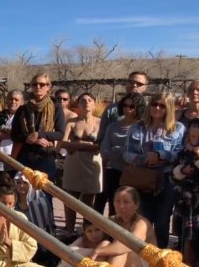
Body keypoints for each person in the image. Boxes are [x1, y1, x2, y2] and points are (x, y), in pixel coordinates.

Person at [46, 186, 162, 267]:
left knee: (116, 250)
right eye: (117, 202)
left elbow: (125, 246)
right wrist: (73, 250)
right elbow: (87, 238)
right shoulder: (113, 220)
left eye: (126, 202)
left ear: (136, 205)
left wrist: (98, 251)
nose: (121, 206)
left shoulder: (142, 223)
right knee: (103, 245)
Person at [124, 93, 185, 248]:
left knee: (162, 220)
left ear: (169, 108)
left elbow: (179, 153)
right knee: (143, 220)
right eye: (154, 104)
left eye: (162, 105)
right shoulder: (137, 127)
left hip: (166, 179)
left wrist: (160, 155)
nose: (157, 108)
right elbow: (127, 154)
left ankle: (160, 257)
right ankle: (141, 257)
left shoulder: (177, 128)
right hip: (142, 178)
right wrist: (145, 158)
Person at [11, 72, 65, 210]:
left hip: (45, 157)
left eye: (42, 84)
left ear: (49, 87)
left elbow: (60, 133)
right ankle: (23, 227)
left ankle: (45, 228)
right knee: (23, 195)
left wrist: (40, 135)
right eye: (35, 84)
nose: (38, 87)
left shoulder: (56, 107)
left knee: (45, 195)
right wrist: (30, 139)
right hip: (25, 157)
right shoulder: (23, 109)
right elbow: (14, 134)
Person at [60, 93, 102, 234]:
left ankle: (87, 233)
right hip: (74, 164)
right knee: (70, 201)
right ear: (78, 104)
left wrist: (77, 144)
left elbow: (99, 147)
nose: (86, 103)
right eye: (83, 100)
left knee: (88, 203)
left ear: (94, 104)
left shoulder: (99, 123)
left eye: (90, 100)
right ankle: (70, 232)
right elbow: (64, 144)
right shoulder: (71, 122)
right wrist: (87, 145)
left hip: (92, 165)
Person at [98, 93, 141, 215]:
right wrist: (119, 151)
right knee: (115, 208)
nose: (128, 109)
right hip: (113, 171)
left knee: (133, 210)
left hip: (134, 173)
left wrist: (116, 150)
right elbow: (104, 150)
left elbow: (139, 150)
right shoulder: (113, 126)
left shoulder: (142, 127)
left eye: (132, 106)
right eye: (125, 105)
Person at [44, 219, 110, 267]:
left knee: (91, 263)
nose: (94, 234)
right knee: (68, 261)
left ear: (103, 230)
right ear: (85, 233)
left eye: (97, 230)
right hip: (75, 266)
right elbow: (70, 250)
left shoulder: (105, 242)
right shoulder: (83, 240)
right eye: (89, 231)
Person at [171, 118, 199, 267]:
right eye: (192, 137)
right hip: (186, 203)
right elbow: (174, 174)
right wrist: (182, 171)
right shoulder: (184, 152)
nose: (196, 141)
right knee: (186, 237)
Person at [99, 71, 149, 141]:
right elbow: (102, 137)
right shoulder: (111, 110)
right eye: (131, 82)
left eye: (139, 84)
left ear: (145, 87)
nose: (134, 85)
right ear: (126, 83)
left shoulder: (151, 110)